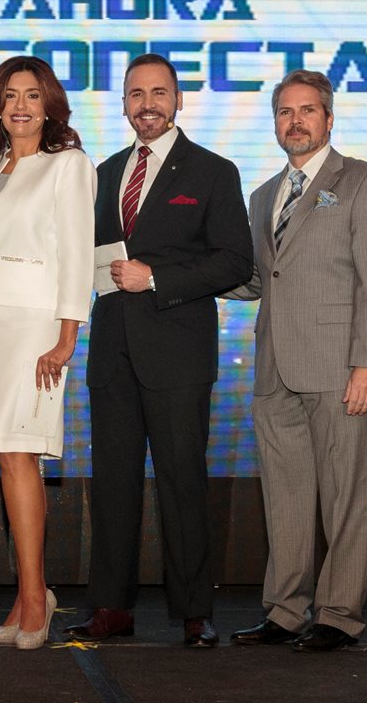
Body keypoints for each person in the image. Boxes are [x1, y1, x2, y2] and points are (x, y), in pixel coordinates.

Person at [64, 53, 252, 649]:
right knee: (113, 485)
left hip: (178, 353)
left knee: (182, 483)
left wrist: (158, 279)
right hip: (112, 353)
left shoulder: (213, 171)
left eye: (159, 93)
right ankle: (111, 608)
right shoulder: (103, 173)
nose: (148, 104)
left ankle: (194, 612)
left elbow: (235, 261)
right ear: (124, 103)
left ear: (178, 100)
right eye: (136, 94)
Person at [226, 70, 367, 653]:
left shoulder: (365, 181)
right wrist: (187, 274)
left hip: (342, 368)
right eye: (285, 112)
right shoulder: (262, 196)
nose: (295, 121)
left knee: (347, 497)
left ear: (328, 118)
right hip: (275, 368)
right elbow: (259, 280)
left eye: (306, 110)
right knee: (286, 498)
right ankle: (284, 611)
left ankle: (339, 615)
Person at [0, 56, 96, 650]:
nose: (21, 106)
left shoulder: (68, 164)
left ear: (49, 106)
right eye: (10, 95)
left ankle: (36, 599)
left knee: (22, 454)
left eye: (33, 95)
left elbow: (77, 252)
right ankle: (27, 596)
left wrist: (67, 336)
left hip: (34, 326)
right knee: (9, 457)